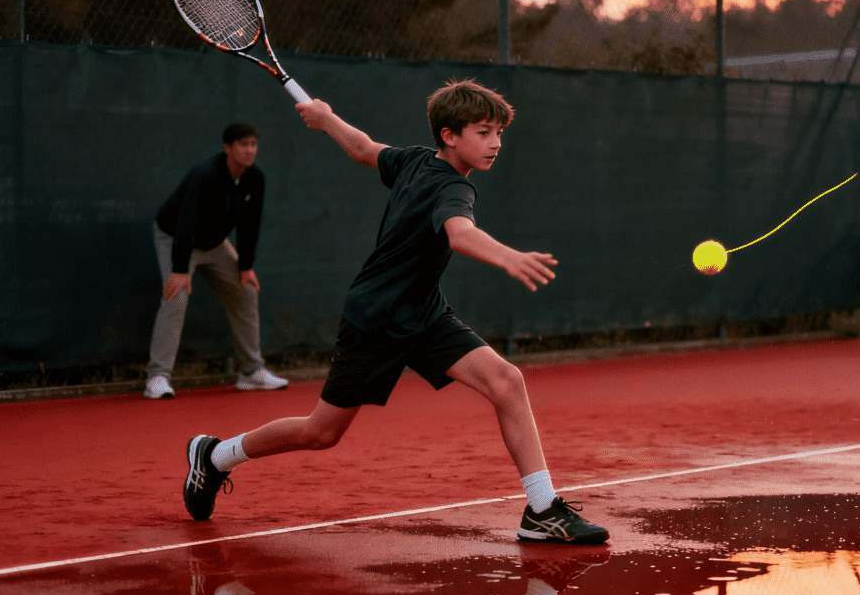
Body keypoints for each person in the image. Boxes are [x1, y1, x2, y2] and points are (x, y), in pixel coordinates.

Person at [180, 79, 609, 545]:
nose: (496, 144)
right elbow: (459, 233)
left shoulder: (413, 160)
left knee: (507, 380)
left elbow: (363, 148)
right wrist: (508, 256)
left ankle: (542, 508)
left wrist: (326, 121)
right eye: (484, 132)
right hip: (376, 318)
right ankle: (216, 455)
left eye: (499, 133)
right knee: (321, 432)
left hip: (424, 314)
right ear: (449, 135)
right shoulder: (452, 189)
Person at [144, 123, 289, 399]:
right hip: (175, 237)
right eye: (243, 144)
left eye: (253, 145)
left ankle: (250, 372)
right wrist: (179, 269)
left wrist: (245, 266)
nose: (249, 150)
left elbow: (249, 224)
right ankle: (158, 377)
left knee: (246, 290)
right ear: (227, 148)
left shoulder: (254, 178)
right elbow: (186, 221)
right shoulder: (204, 175)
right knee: (176, 296)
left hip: (214, 242)